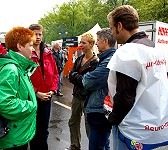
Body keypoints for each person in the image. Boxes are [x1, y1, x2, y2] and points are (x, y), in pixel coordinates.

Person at [107, 5, 156, 150]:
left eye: (111, 28)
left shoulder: (128, 51)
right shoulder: (151, 46)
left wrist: (113, 119)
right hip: (149, 125)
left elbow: (125, 96)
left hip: (130, 127)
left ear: (120, 26)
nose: (112, 33)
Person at [0, 27, 38, 150]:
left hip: (17, 132)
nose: (33, 49)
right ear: (20, 46)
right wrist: (31, 105)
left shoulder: (19, 67)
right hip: (13, 136)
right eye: (30, 45)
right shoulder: (11, 69)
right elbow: (5, 103)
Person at [82, 28, 116, 150]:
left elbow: (88, 81)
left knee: (97, 145)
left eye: (98, 40)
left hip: (100, 110)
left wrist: (84, 76)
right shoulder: (105, 58)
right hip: (99, 108)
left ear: (105, 41)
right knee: (103, 143)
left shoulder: (109, 60)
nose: (96, 43)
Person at [28, 24, 59, 150]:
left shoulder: (48, 52)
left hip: (47, 96)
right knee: (33, 129)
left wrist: (52, 90)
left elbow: (55, 73)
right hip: (32, 98)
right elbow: (24, 78)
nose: (38, 36)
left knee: (44, 129)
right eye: (35, 34)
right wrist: (36, 92)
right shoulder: (27, 53)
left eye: (40, 34)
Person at [66, 33, 98, 150]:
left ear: (92, 44)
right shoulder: (79, 58)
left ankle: (93, 147)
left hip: (88, 98)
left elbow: (89, 82)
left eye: (83, 43)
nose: (80, 45)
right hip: (76, 96)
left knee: (89, 126)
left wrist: (77, 76)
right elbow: (70, 76)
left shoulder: (96, 62)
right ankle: (74, 146)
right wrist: (81, 77)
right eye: (80, 42)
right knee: (73, 122)